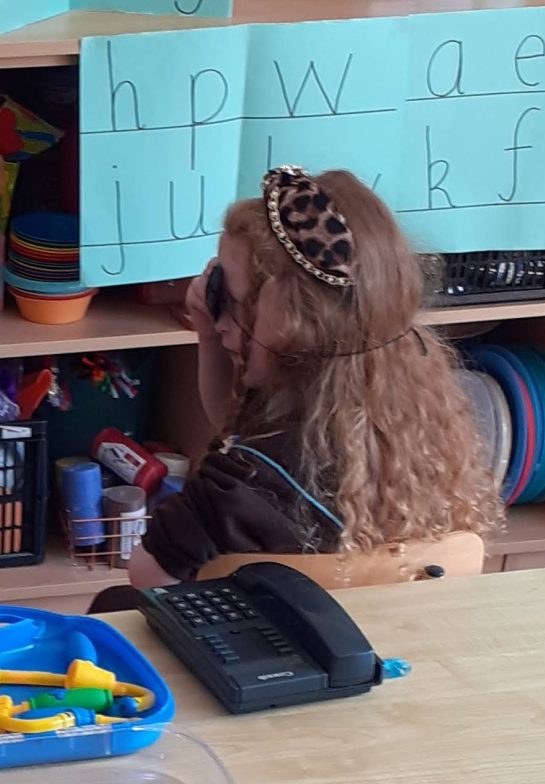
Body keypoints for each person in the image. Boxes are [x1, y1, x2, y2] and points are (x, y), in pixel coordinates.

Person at [118, 165, 498, 591]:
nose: (216, 312)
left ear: (291, 322)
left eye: (231, 297)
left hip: (269, 630)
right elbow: (232, 419)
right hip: (384, 627)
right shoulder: (419, 427)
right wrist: (210, 333)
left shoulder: (242, 484)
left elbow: (147, 575)